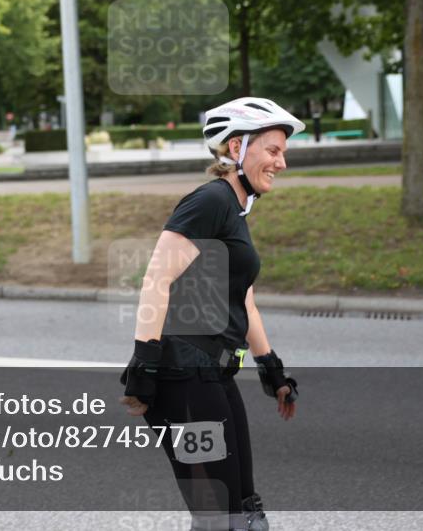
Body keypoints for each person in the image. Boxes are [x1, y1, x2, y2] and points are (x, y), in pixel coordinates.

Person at [120, 97, 303, 531]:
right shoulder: (211, 201)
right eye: (273, 150)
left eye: (283, 152)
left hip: (212, 376)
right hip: (182, 379)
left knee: (243, 509)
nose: (281, 163)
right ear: (236, 147)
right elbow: (155, 279)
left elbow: (245, 301)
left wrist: (271, 369)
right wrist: (143, 364)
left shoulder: (236, 211)